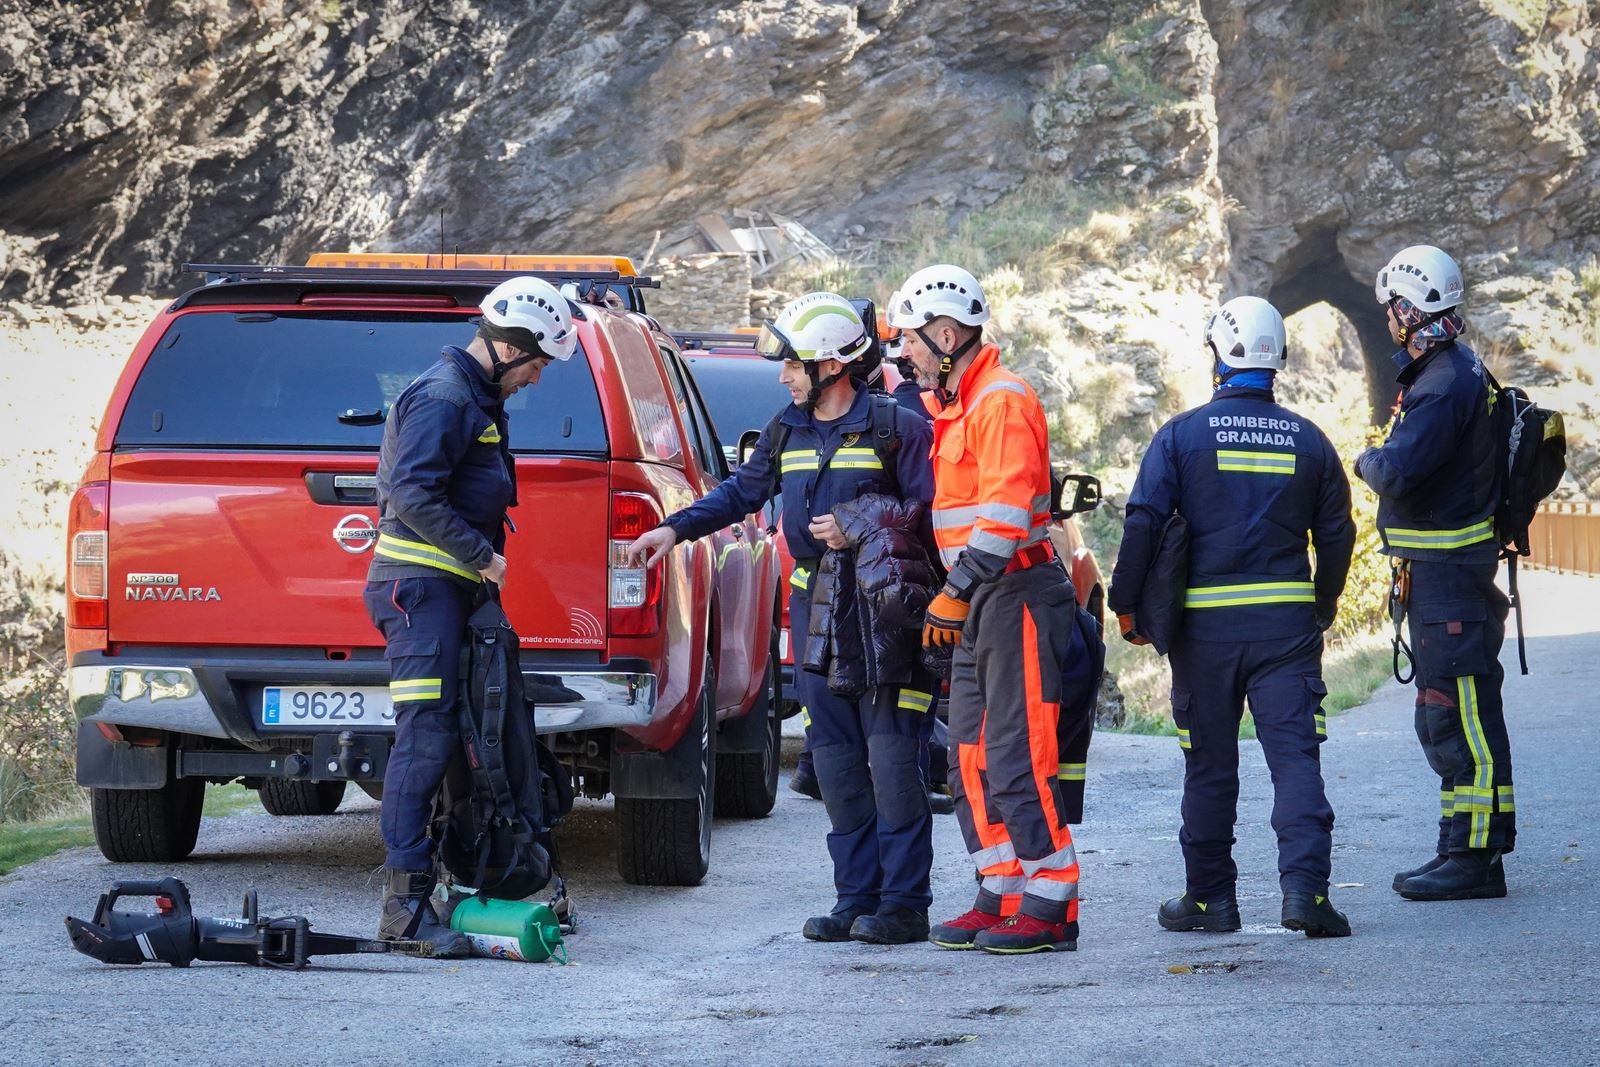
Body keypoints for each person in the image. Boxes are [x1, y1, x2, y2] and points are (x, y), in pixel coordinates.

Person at [628, 293, 941, 945]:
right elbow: (742, 493)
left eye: (793, 364)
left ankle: (905, 904)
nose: (783, 375)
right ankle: (856, 898)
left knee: (891, 764)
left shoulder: (898, 427)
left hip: (884, 617)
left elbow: (930, 514)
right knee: (838, 765)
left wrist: (859, 523)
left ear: (831, 365)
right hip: (821, 614)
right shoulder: (786, 429)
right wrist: (672, 530)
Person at [1111, 295, 1357, 938]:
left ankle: (1210, 901)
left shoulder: (1182, 435)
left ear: (1219, 356)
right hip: (1286, 632)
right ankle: (1307, 896)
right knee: (1296, 761)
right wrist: (1323, 601)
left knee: (1210, 768)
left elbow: (1143, 524)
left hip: (1205, 636)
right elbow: (1337, 535)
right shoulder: (1310, 440)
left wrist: (1126, 606)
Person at [364, 275, 577, 956]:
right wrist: (481, 555)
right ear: (511, 348)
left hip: (449, 593)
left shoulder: (475, 396)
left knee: (460, 739)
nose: (538, 379)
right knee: (424, 737)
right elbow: (412, 492)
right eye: (539, 364)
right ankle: (402, 912)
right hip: (420, 593)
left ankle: (450, 884)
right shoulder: (445, 396)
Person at [891, 264, 1082, 955]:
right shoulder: (958, 405)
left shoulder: (1001, 401)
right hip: (981, 598)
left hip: (1014, 592)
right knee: (968, 751)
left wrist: (955, 587)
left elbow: (1003, 516)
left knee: (1016, 750)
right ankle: (1002, 886)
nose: (903, 353)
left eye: (909, 340)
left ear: (946, 334)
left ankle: (1052, 894)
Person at [1355, 245, 1514, 901]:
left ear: (1410, 308)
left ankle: (1475, 859)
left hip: (1451, 579)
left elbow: (1396, 469)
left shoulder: (1445, 382)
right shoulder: (1444, 373)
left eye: (1393, 308)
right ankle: (1463, 847)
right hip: (1441, 576)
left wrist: (1368, 458)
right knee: (1444, 713)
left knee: (1461, 716)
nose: (1389, 321)